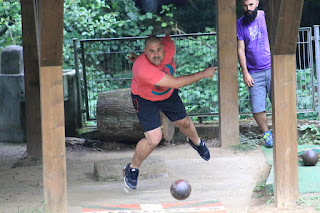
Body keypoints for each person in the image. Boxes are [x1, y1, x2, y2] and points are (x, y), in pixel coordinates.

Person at [124, 35, 217, 189]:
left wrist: (138, 58)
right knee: (154, 139)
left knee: (184, 122)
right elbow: (177, 82)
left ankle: (197, 143)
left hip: (167, 93)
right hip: (145, 98)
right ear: (145, 53)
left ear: (164, 48)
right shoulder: (143, 69)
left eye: (159, 50)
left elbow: (166, 31)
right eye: (151, 52)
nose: (156, 54)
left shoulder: (169, 45)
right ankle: (132, 168)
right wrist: (204, 73)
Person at [236, 0, 273, 148]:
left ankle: (283, 132)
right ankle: (266, 133)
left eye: (251, 5)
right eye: (245, 6)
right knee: (257, 107)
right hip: (253, 72)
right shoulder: (239, 23)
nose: (248, 8)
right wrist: (245, 72)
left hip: (272, 68)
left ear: (257, 3)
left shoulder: (266, 16)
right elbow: (240, 50)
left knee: (279, 102)